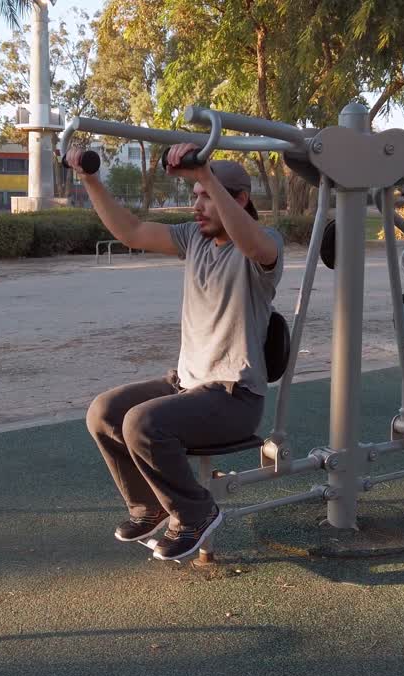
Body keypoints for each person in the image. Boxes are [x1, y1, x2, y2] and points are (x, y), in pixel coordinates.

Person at [65, 142, 285, 561]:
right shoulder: (194, 239)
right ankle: (147, 506)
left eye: (207, 196)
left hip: (233, 398)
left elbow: (255, 244)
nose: (198, 205)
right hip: (187, 384)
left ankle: (196, 512)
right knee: (104, 412)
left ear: (238, 199)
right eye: (196, 195)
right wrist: (90, 179)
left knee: (142, 424)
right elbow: (129, 232)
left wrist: (203, 173)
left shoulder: (262, 247)